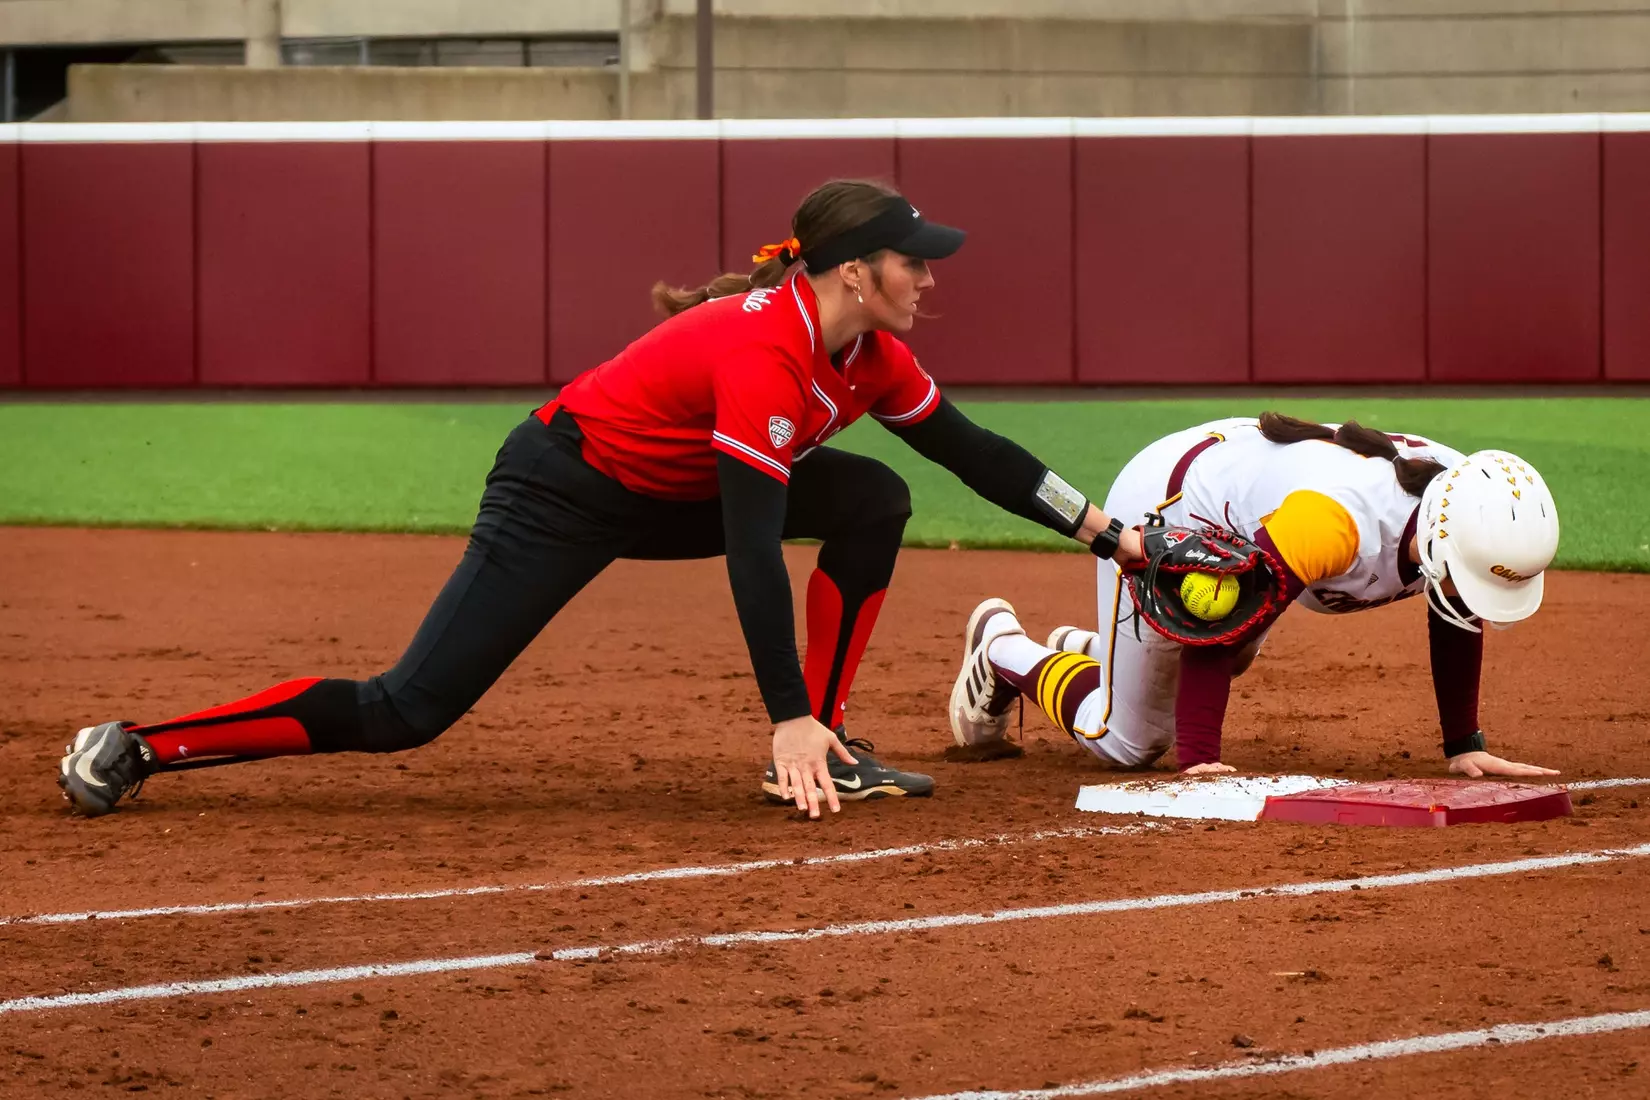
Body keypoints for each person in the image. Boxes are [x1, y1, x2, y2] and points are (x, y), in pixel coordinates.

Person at [59, 178, 1148, 821]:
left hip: (671, 487)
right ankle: (144, 742)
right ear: (856, 271)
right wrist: (779, 714)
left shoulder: (865, 354)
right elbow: (750, 543)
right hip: (563, 489)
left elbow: (979, 454)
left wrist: (1108, 531)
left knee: (875, 493)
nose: (932, 277)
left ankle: (834, 746)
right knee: (410, 708)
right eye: (916, 261)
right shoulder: (766, 351)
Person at [948, 413, 1562, 777]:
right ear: (1436, 542)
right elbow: (1222, 625)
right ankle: (1004, 651)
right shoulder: (1335, 526)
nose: (1475, 595)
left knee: (1230, 653)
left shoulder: (1462, 501)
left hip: (1253, 501)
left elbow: (1457, 610)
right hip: (1175, 504)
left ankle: (1109, 649)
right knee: (1128, 742)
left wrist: (1464, 747)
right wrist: (1198, 762)